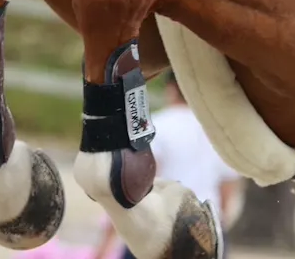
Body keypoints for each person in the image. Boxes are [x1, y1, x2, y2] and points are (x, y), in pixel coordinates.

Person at [94, 73, 241, 259]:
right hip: (205, 228)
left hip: (160, 227)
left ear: (171, 89)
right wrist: (219, 226)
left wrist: (107, 240)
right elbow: (227, 188)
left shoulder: (153, 125)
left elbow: (135, 187)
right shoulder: (218, 133)